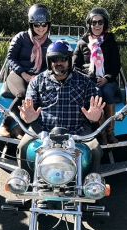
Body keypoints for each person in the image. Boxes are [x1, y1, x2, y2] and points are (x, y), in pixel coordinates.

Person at [17, 40, 104, 174]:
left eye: (63, 59)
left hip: (77, 130)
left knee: (95, 150)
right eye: (54, 59)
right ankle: (25, 181)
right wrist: (27, 118)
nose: (58, 63)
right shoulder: (37, 82)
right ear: (49, 61)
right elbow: (28, 110)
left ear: (69, 60)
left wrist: (96, 117)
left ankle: (90, 185)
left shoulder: (85, 81)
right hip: (43, 129)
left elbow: (95, 110)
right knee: (23, 146)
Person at [0, 3, 52, 138]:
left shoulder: (49, 44)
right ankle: (4, 124)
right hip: (18, 74)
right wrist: (24, 74)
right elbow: (10, 58)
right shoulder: (21, 37)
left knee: (47, 96)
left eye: (44, 24)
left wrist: (38, 76)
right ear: (31, 24)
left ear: (48, 25)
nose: (41, 27)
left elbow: (49, 65)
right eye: (37, 24)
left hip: (37, 77)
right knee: (23, 94)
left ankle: (19, 128)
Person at [72, 7, 121, 144]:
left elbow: (116, 65)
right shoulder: (82, 43)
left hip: (108, 79)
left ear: (104, 24)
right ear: (89, 24)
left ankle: (110, 133)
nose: (97, 25)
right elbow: (75, 66)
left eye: (100, 22)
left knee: (107, 92)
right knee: (96, 93)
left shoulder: (110, 42)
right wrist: (90, 78)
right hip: (88, 80)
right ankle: (101, 134)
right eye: (94, 22)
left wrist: (106, 78)